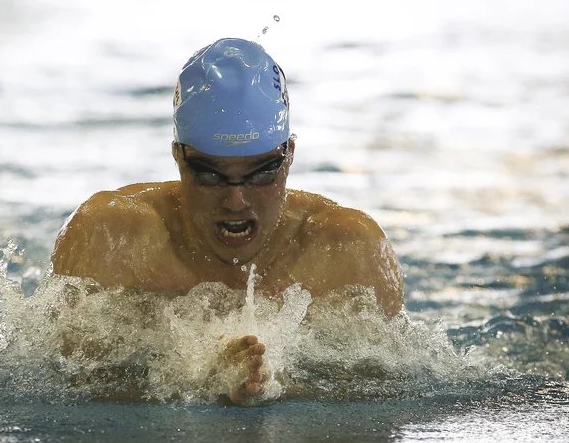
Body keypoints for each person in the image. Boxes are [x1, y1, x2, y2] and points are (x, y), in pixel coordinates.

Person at [50, 38, 404, 404]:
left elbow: (391, 389)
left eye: (262, 172)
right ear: (178, 158)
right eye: (209, 174)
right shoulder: (112, 237)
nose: (236, 200)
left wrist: (278, 384)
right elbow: (64, 383)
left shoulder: (348, 249)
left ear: (289, 157)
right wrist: (195, 381)